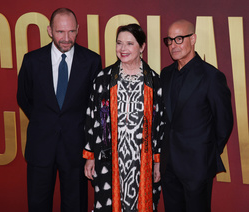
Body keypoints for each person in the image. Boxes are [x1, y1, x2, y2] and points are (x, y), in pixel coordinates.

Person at [17, 8, 102, 212]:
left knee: (75, 206)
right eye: (60, 32)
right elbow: (24, 98)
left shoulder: (91, 61)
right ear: (49, 31)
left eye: (71, 31)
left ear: (78, 30)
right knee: (38, 205)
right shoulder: (32, 60)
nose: (66, 38)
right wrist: (44, 121)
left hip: (75, 148)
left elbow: (95, 105)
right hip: (40, 146)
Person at [83, 23, 165, 212]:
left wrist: (158, 162)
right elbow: (91, 119)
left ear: (142, 47)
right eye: (119, 43)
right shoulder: (103, 79)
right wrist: (90, 155)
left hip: (141, 159)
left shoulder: (153, 81)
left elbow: (160, 125)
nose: (123, 49)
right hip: (109, 158)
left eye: (129, 43)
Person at [160, 19, 233, 212]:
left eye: (179, 39)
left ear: (193, 39)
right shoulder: (165, 74)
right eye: (169, 40)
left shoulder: (211, 76)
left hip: (197, 166)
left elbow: (224, 124)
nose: (173, 45)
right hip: (169, 167)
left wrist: (205, 154)